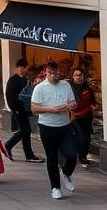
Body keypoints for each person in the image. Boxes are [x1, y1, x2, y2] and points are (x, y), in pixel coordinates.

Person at [31, 61, 78, 199]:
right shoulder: (40, 88)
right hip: (47, 126)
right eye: (51, 73)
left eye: (56, 73)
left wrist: (70, 106)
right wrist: (52, 110)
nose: (54, 76)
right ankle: (55, 187)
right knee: (51, 158)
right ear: (46, 72)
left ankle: (66, 172)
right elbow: (34, 108)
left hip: (65, 126)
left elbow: (74, 102)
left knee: (71, 154)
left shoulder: (66, 85)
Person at [4, 59, 42, 162]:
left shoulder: (25, 80)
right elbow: (9, 97)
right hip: (18, 110)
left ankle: (29, 155)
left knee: (26, 131)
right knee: (25, 130)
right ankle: (8, 145)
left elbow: (29, 94)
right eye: (25, 68)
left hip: (25, 109)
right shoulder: (13, 80)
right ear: (19, 67)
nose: (25, 70)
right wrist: (14, 109)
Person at [69, 69, 96, 168]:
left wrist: (93, 105)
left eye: (80, 75)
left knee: (87, 138)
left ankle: (83, 156)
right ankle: (78, 156)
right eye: (76, 75)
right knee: (81, 137)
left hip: (87, 117)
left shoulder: (87, 88)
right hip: (74, 117)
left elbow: (93, 101)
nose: (78, 77)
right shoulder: (69, 87)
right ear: (73, 76)